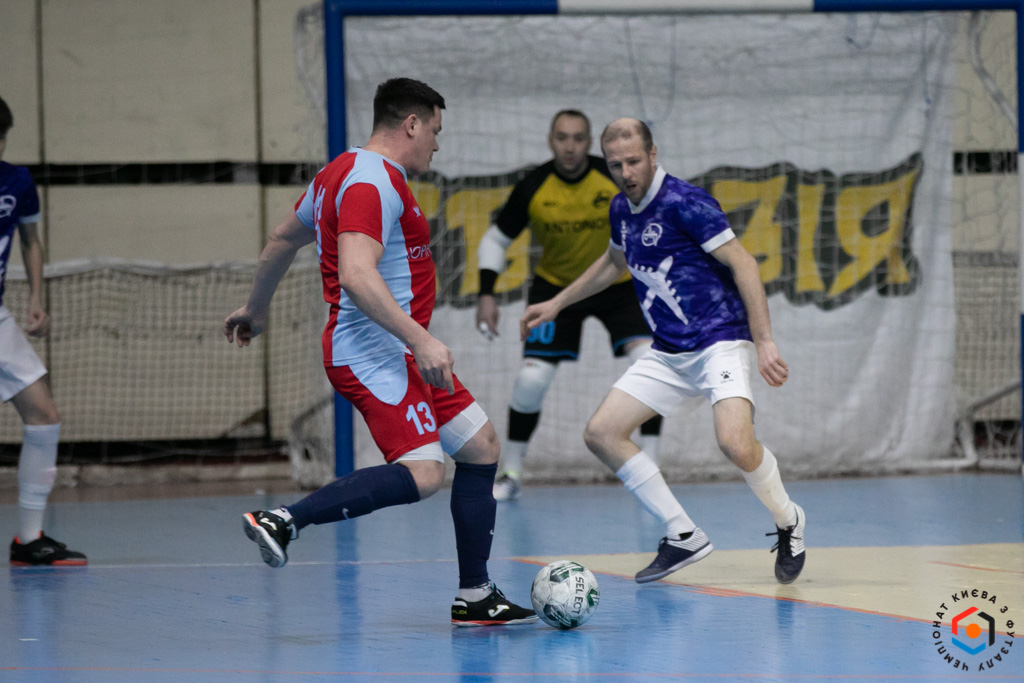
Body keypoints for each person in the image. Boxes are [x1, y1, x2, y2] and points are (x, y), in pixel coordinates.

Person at [225, 78, 536, 626]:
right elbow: (355, 273)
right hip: (372, 353)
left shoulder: (341, 172)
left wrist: (255, 308)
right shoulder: (373, 182)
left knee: (481, 447)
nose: (436, 144)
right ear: (411, 124)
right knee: (424, 473)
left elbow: (281, 239)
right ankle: (282, 521)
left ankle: (475, 594)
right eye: (434, 130)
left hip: (399, 352)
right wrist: (421, 339)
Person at [521, 118, 806, 585]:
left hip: (719, 341)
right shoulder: (620, 208)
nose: (626, 172)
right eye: (616, 165)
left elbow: (744, 264)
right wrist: (556, 303)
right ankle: (682, 533)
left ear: (653, 155)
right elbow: (612, 263)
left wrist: (765, 341)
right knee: (601, 433)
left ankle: (788, 518)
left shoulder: (686, 203)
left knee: (735, 444)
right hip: (669, 352)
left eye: (634, 161)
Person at [476, 109, 662, 502]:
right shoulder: (534, 186)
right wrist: (486, 294)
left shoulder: (614, 176)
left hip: (619, 284)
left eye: (579, 138)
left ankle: (650, 466)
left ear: (590, 142)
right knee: (531, 381)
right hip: (556, 289)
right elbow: (494, 240)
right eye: (563, 137)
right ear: (551, 141)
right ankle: (511, 472)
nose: (571, 146)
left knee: (649, 364)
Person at [0, 96, 86, 566]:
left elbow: (30, 241)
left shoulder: (16, 181)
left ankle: (29, 539)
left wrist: (36, 296)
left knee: (44, 415)